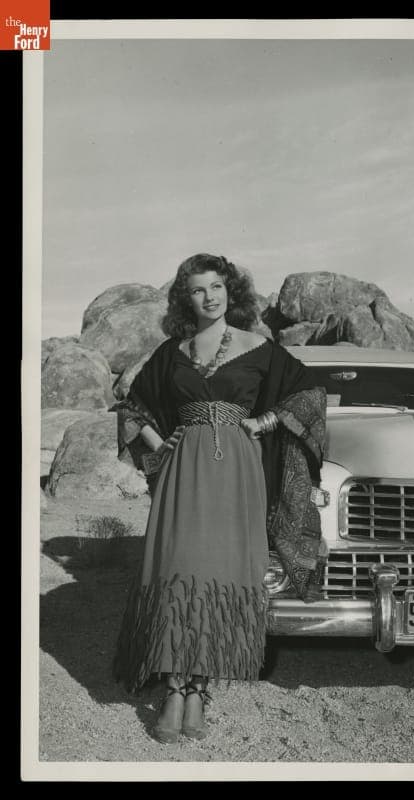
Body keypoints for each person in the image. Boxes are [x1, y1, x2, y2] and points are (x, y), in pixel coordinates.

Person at [110, 253, 327, 743]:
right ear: (185, 299)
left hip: (237, 473)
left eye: (216, 287)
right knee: (177, 570)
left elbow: (310, 396)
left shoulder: (261, 348)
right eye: (197, 290)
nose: (209, 297)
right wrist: (156, 442)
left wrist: (262, 422)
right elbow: (132, 406)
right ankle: (174, 687)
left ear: (232, 292)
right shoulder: (172, 352)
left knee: (220, 575)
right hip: (184, 470)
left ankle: (198, 690)